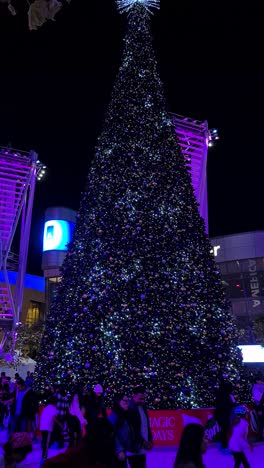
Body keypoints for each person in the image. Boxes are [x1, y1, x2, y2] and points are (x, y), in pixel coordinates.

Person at [127, 386, 153, 468]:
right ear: (133, 396)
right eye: (140, 399)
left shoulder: (143, 407)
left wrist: (150, 440)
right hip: (134, 448)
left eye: (143, 399)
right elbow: (132, 430)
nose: (142, 401)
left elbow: (146, 425)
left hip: (142, 447)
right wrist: (143, 442)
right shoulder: (130, 409)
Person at [109, 392, 137, 467]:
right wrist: (119, 450)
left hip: (124, 451)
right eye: (125, 401)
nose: (127, 403)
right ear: (118, 402)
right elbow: (112, 435)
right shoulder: (114, 416)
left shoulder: (124, 415)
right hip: (117, 454)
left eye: (128, 400)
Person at [214, 379, 237, 451]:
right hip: (225, 415)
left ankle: (222, 445)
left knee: (223, 430)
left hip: (220, 415)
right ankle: (224, 446)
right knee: (224, 430)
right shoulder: (227, 396)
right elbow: (231, 404)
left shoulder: (219, 395)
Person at [40, 395, 64, 460]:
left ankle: (44, 454)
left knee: (44, 440)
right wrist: (60, 424)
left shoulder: (46, 407)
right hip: (47, 427)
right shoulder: (53, 408)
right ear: (55, 402)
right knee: (47, 442)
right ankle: (44, 456)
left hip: (42, 427)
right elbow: (54, 418)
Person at [252, 374, 264, 441]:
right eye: (260, 380)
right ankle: (260, 436)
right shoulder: (256, 388)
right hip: (260, 407)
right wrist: (259, 409)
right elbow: (258, 399)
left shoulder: (260, 387)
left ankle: (261, 435)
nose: (261, 381)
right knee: (261, 421)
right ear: (257, 381)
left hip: (261, 406)